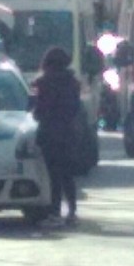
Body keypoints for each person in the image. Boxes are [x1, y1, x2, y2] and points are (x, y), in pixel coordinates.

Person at [32, 46, 82, 227]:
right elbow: (76, 109)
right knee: (67, 174)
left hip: (50, 133)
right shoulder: (73, 83)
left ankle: (55, 213)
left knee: (54, 176)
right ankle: (72, 212)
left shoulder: (43, 83)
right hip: (68, 133)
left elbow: (39, 112)